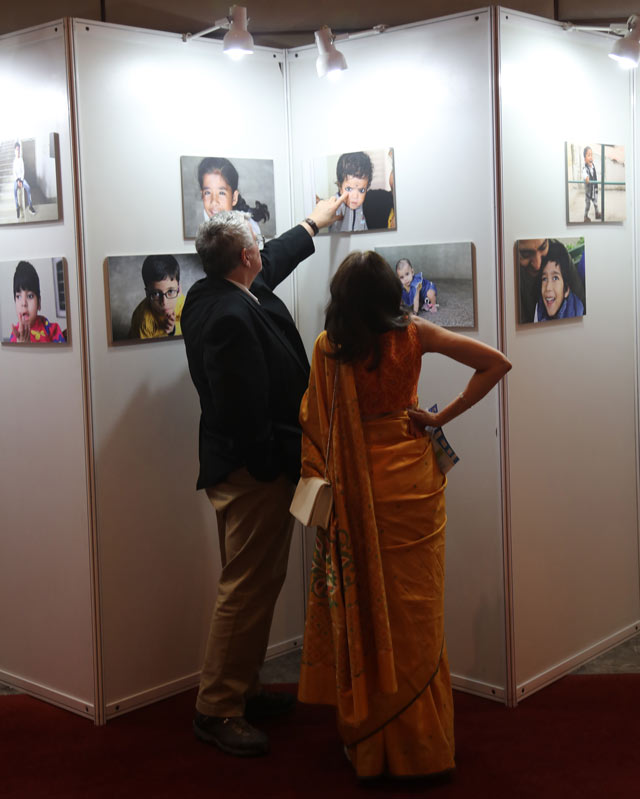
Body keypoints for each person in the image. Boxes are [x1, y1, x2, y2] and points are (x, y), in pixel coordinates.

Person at [297, 250, 511, 779]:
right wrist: (441, 415)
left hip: (358, 493)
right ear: (391, 297)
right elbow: (497, 363)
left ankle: (372, 744)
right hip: (414, 488)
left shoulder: (330, 348)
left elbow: (312, 421)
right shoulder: (414, 334)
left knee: (370, 614)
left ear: (342, 299)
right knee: (417, 616)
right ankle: (425, 748)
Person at [181, 193, 346, 758]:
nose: (262, 257)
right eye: (257, 250)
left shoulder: (216, 289)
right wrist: (279, 467)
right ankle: (217, 708)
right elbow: (242, 411)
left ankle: (242, 690)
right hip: (252, 475)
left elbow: (274, 259)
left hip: (246, 470)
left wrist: (314, 221)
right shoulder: (228, 315)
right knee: (245, 589)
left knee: (253, 585)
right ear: (244, 257)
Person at [517, 238, 585, 324]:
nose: (538, 265)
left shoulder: (559, 252)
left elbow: (581, 298)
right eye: (526, 254)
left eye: (543, 247)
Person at [197, 156, 269, 236]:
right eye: (207, 193)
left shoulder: (247, 230)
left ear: (234, 198)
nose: (214, 201)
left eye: (221, 193)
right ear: (202, 195)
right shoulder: (208, 221)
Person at [128, 254, 185, 339]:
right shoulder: (144, 322)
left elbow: (191, 325)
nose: (164, 302)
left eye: (170, 291)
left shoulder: (181, 301)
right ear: (147, 294)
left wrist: (173, 329)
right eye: (156, 294)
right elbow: (145, 350)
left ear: (179, 289)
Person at [10, 261, 65, 343]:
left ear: (39, 303)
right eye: (19, 296)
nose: (24, 303)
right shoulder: (15, 334)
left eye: (30, 296)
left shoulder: (53, 330)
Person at [535, 240, 585, 322]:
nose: (548, 287)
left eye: (555, 278)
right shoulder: (538, 310)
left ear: (566, 290)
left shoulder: (577, 313)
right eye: (544, 279)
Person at [12, 142, 36, 219]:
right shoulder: (14, 161)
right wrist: (17, 180)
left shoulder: (21, 159)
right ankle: (17, 208)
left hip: (22, 179)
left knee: (28, 188)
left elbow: (23, 171)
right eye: (16, 150)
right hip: (16, 179)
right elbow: (14, 172)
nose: (17, 151)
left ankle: (30, 206)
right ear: (14, 151)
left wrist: (21, 180)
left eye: (18, 150)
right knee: (14, 191)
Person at [583, 146, 601, 223]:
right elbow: (586, 179)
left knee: (596, 203)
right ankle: (585, 216)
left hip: (594, 189)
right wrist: (587, 178)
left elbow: (594, 175)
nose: (591, 157)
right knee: (587, 205)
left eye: (591, 155)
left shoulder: (592, 166)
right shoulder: (585, 169)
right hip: (588, 192)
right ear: (585, 158)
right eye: (588, 155)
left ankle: (597, 213)